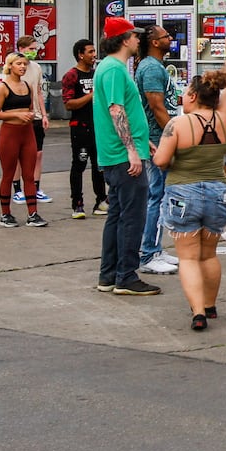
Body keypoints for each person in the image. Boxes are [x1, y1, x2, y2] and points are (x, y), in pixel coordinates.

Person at [153, 66, 226, 331]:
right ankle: (210, 305)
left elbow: (162, 161)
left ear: (192, 96)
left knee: (188, 258)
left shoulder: (177, 124)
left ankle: (197, 312)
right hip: (217, 192)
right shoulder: (225, 119)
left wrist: (156, 151)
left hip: (182, 192)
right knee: (209, 255)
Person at [94, 18, 159, 297]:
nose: (137, 40)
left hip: (121, 154)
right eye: (134, 35)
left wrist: (144, 143)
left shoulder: (112, 68)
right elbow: (116, 110)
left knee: (118, 216)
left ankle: (110, 275)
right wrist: (132, 150)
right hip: (122, 156)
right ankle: (126, 276)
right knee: (133, 218)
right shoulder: (113, 69)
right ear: (123, 39)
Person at [0, 52, 47, 229]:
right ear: (10, 66)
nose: (22, 67)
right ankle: (5, 213)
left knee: (29, 175)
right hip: (10, 133)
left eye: (24, 64)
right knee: (8, 174)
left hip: (27, 132)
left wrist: (31, 115)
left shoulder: (27, 85)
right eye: (18, 64)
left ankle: (33, 213)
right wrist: (16, 114)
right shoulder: (3, 87)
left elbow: (30, 107)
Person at [135, 24, 175, 270]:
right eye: (166, 36)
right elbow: (157, 107)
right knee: (157, 196)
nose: (171, 38)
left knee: (161, 195)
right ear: (155, 42)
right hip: (158, 138)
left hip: (162, 137)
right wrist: (175, 134)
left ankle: (156, 249)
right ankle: (149, 253)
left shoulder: (155, 66)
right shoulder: (150, 67)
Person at [61, 38, 108, 219]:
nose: (94, 55)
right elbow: (69, 104)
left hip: (98, 128)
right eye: (90, 52)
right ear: (80, 55)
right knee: (79, 165)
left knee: (99, 166)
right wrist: (91, 95)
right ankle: (77, 204)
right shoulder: (71, 76)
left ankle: (101, 201)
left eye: (94, 51)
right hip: (80, 129)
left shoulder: (97, 74)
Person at [8, 34, 51, 205]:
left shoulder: (36, 68)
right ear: (21, 49)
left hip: (36, 116)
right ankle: (18, 189)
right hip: (19, 116)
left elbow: (39, 92)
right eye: (31, 49)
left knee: (37, 153)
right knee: (19, 155)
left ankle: (36, 187)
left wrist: (44, 114)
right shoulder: (13, 67)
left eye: (35, 49)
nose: (34, 52)